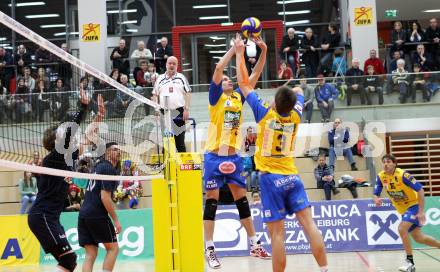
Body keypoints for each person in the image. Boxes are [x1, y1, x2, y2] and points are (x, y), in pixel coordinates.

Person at [235, 33, 328, 272]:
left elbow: (244, 84)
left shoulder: (264, 114)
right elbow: (296, 90)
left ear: (274, 103)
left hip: (270, 179)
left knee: (277, 236)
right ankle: (325, 269)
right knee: (310, 226)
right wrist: (267, 53)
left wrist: (240, 53)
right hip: (292, 177)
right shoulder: (296, 115)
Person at [203, 37, 270, 269]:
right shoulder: (215, 98)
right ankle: (209, 248)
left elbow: (254, 76)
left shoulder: (238, 98)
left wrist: (263, 51)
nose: (227, 80)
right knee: (211, 201)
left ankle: (254, 243)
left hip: (233, 157)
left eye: (231, 79)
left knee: (242, 200)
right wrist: (234, 49)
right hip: (214, 156)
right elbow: (219, 68)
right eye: (225, 80)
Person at [27, 88, 102, 272]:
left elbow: (86, 139)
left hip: (51, 217)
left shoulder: (67, 158)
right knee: (69, 258)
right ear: (56, 142)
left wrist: (99, 116)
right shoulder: (54, 158)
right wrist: (83, 107)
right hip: (42, 215)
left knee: (69, 261)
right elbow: (70, 133)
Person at [373, 154, 440, 272]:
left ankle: (410, 263)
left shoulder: (403, 175)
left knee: (401, 229)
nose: (386, 164)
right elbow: (376, 191)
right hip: (403, 210)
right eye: (384, 162)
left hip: (413, 206)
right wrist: (376, 199)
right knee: (419, 238)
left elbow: (420, 189)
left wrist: (421, 211)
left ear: (394, 164)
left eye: (389, 162)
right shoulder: (381, 176)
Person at [78, 142, 121, 272]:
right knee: (113, 249)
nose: (118, 152)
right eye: (115, 149)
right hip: (97, 214)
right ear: (107, 152)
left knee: (91, 254)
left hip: (84, 214)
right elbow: (105, 197)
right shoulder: (108, 168)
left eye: (119, 149)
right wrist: (116, 220)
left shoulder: (97, 167)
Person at [152, 56, 191, 153]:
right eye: (170, 63)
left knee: (180, 142)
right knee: (166, 142)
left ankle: (182, 166)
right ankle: (166, 167)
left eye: (174, 63)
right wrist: (156, 110)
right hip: (164, 113)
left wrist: (186, 109)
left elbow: (188, 93)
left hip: (179, 113)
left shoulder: (181, 77)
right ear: (166, 65)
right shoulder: (160, 79)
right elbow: (155, 95)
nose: (172, 65)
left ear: (177, 66)